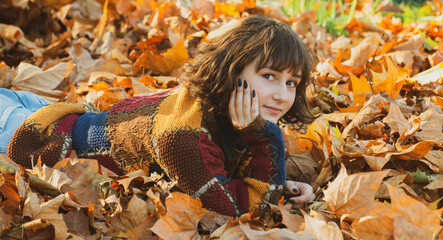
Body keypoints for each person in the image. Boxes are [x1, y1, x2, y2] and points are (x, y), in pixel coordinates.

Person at [5, 15, 316, 217]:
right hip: (34, 131)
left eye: (291, 82)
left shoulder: (219, 111)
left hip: (43, 112)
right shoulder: (183, 135)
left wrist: (282, 185)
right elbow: (234, 208)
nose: (282, 95)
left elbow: (223, 165)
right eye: (270, 76)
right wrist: (268, 139)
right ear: (231, 70)